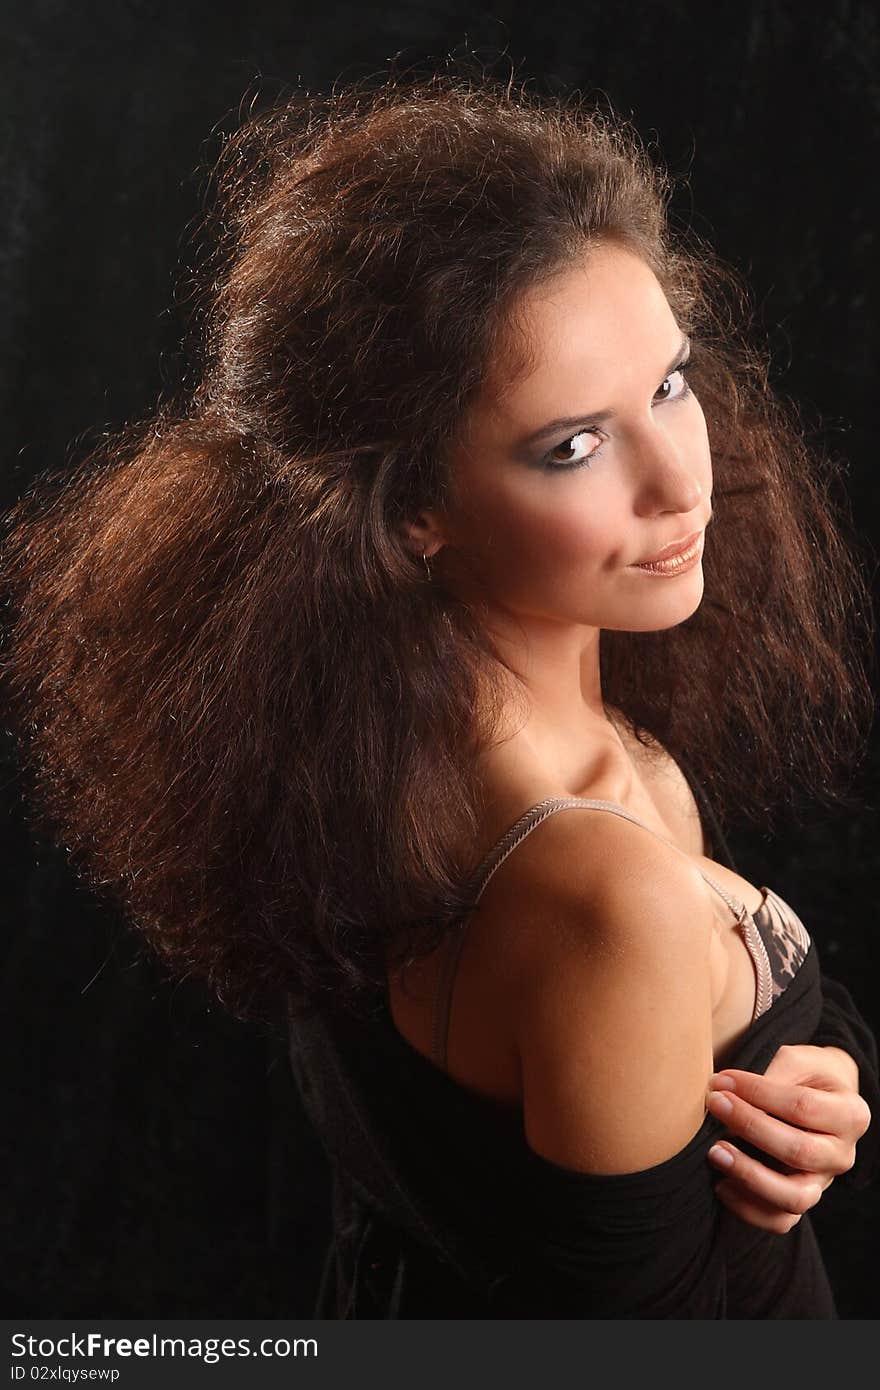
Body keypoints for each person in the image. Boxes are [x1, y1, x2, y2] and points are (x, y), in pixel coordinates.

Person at [1, 68, 877, 1319]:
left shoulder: (380, 746)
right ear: (413, 509)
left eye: (670, 385)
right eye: (572, 444)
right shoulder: (594, 897)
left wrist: (824, 1076)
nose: (682, 481)